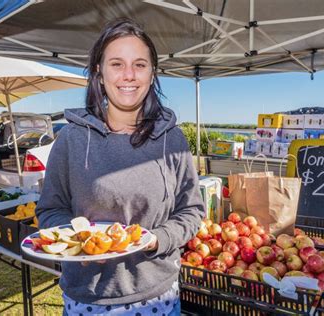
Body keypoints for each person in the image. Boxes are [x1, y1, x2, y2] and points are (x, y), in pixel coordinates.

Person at [36, 18, 205, 315]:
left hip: (158, 298)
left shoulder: (173, 139)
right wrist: (79, 243)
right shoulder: (71, 139)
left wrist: (158, 239)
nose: (129, 75)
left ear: (152, 74)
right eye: (117, 64)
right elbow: (50, 210)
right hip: (88, 300)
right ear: (99, 73)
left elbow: (192, 210)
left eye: (140, 65)